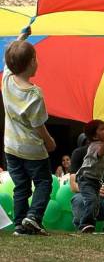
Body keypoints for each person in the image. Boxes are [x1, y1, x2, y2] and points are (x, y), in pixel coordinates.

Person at [3, 25, 56, 236]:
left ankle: (19, 225)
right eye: (36, 58)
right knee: (44, 182)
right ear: (32, 63)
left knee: (21, 187)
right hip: (32, 150)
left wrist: (22, 36)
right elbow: (38, 125)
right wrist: (49, 141)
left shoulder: (6, 81)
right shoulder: (35, 94)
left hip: (11, 148)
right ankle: (33, 217)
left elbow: (11, 62)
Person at [73, 120, 104, 233]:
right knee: (91, 200)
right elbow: (101, 152)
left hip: (95, 180)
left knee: (96, 203)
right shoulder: (95, 146)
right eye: (102, 129)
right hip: (85, 179)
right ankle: (84, 224)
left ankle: (89, 225)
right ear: (95, 136)